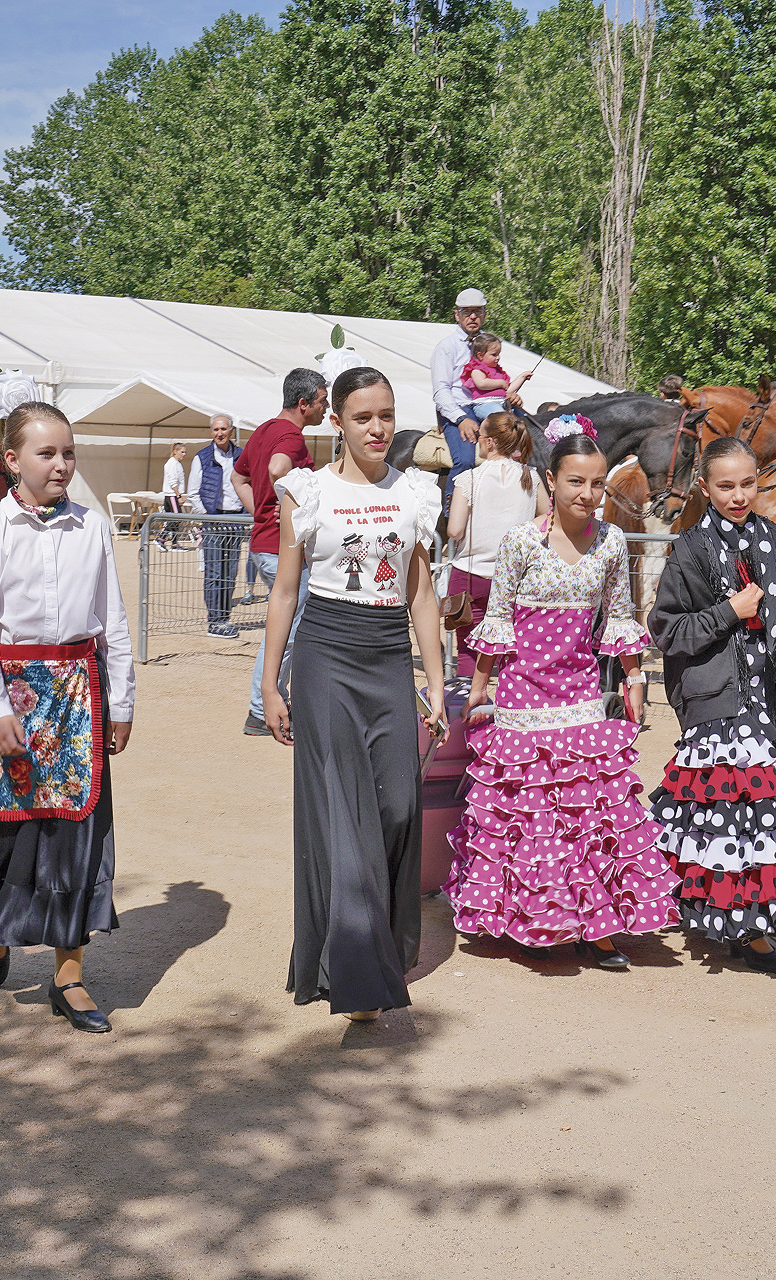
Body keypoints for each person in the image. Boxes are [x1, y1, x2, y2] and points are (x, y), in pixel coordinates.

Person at [444, 421, 673, 967]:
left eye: (596, 484)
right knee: (532, 815)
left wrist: (635, 680)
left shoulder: (613, 541)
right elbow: (496, 621)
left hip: (582, 694)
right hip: (523, 698)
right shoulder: (521, 542)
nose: (587, 494)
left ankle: (596, 926)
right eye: (575, 481)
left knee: (590, 815)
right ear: (551, 481)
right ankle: (534, 919)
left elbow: (619, 615)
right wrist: (479, 693)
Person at [260, 367, 446, 1020]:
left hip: (388, 658)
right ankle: (357, 972)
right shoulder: (305, 493)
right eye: (363, 417)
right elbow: (285, 591)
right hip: (325, 659)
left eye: (386, 415)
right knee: (345, 816)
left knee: (396, 807)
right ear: (335, 421)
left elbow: (421, 594)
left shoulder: (415, 493)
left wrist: (436, 681)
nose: (377, 428)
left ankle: (382, 945)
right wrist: (268, 680)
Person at [0, 399, 134, 1035]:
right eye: (46, 453)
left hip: (80, 696)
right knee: (14, 832)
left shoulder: (92, 527)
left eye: (68, 452)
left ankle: (70, 976)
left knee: (78, 840)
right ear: (12, 460)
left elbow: (113, 622)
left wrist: (123, 700)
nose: (61, 465)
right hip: (15, 700)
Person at [645, 437, 776, 975]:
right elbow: (666, 631)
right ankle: (742, 927)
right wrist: (729, 611)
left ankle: (740, 917)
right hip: (714, 704)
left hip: (766, 703)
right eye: (726, 485)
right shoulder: (690, 549)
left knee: (755, 818)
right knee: (719, 816)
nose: (739, 495)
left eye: (748, 483)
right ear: (704, 487)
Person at [234, 369, 326, 735]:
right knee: (285, 633)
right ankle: (261, 709)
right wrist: (290, 505)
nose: (325, 408)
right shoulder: (290, 435)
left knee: (287, 631)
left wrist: (261, 507)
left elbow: (237, 477)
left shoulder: (264, 430)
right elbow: (277, 468)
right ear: (303, 404)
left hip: (263, 543)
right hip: (281, 549)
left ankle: (272, 704)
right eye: (321, 401)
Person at [445, 411, 548, 673]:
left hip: (470, 575)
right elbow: (549, 519)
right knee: (511, 653)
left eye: (480, 437)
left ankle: (469, 709)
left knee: (468, 652)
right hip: (517, 578)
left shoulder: (468, 479)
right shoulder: (531, 477)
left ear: (490, 442)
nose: (477, 442)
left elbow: (455, 530)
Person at [432, 287, 511, 499]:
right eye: (467, 312)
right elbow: (440, 392)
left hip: (488, 405)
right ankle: (451, 513)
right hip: (458, 410)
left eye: (478, 311)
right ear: (457, 315)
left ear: (485, 314)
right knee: (465, 460)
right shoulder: (446, 347)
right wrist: (461, 419)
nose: (473, 316)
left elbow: (497, 378)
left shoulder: (491, 344)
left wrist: (511, 394)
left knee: (525, 438)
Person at [188, 415, 247, 639]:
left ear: (231, 431)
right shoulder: (202, 457)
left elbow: (249, 484)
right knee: (214, 572)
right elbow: (193, 492)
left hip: (236, 520)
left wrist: (245, 513)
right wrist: (206, 517)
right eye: (215, 429)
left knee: (230, 572)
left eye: (223, 429)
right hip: (213, 520)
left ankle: (225, 617)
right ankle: (215, 621)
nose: (219, 433)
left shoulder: (242, 455)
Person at [459, 331, 532, 421]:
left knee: (524, 418)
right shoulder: (477, 369)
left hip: (502, 403)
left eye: (498, 354)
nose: (498, 357)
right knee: (502, 418)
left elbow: (508, 389)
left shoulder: (498, 371)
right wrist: (500, 383)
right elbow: (481, 383)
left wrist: (522, 377)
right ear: (480, 355)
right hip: (484, 405)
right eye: (494, 355)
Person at [159, 440, 190, 550]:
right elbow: (173, 482)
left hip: (173, 495)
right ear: (175, 451)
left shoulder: (177, 464)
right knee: (176, 518)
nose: (184, 454)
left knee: (174, 519)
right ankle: (163, 539)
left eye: (185, 452)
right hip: (172, 495)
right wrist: (178, 496)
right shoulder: (172, 464)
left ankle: (171, 542)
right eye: (182, 452)